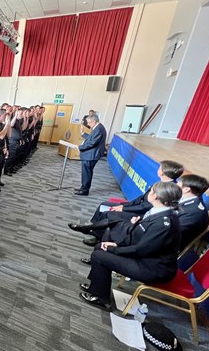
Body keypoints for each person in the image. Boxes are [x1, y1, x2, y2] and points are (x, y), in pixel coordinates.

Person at [79, 182, 182, 311]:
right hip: (145, 258)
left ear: (155, 196)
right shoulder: (159, 212)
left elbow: (141, 250)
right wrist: (117, 244)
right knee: (100, 247)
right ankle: (96, 285)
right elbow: (138, 236)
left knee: (99, 255)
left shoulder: (163, 223)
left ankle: (101, 299)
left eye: (151, 191)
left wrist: (113, 248)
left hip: (152, 268)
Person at [75, 113, 107, 196]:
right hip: (91, 154)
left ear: (94, 121)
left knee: (87, 172)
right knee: (86, 172)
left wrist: (80, 147)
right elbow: (91, 138)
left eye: (89, 123)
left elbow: (92, 143)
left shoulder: (99, 129)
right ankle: (83, 187)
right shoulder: (97, 128)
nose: (88, 124)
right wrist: (83, 133)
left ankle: (85, 190)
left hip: (92, 155)